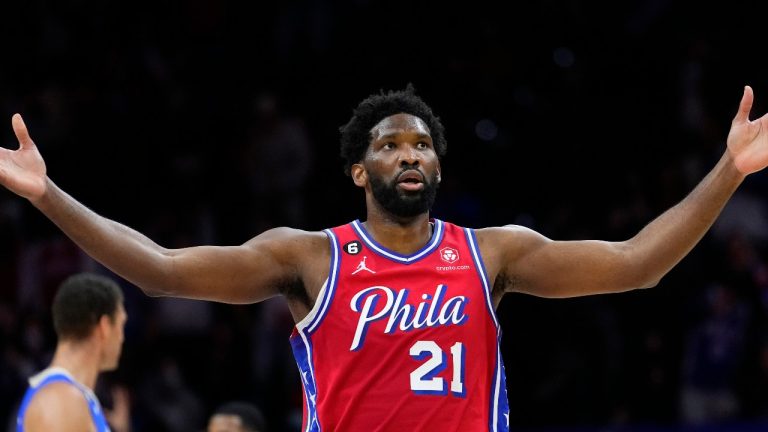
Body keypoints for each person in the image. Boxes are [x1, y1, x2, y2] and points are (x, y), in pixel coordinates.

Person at [1, 83, 767, 431]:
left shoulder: (492, 254)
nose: (411, 152)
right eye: (390, 143)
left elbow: (639, 262)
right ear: (359, 172)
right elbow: (159, 269)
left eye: (423, 144)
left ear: (437, 169)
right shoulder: (308, 259)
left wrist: (729, 170)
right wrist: (48, 195)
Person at [14, 272, 129, 432]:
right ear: (104, 327)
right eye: (121, 325)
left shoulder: (71, 396)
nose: (122, 338)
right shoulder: (61, 400)